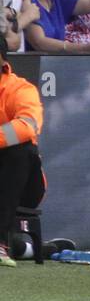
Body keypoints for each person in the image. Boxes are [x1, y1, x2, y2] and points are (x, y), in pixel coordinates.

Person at [0, 38, 45, 265]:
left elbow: (28, 126)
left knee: (21, 147)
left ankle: (0, 244)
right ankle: (32, 249)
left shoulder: (22, 89)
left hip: (24, 183)